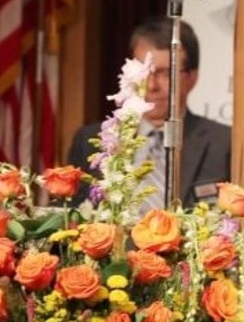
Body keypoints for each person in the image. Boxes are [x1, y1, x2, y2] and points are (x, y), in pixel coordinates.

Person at [67, 16, 232, 209]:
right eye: (143, 73)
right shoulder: (92, 141)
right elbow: (73, 217)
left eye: (164, 73)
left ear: (192, 78)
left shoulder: (223, 144)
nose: (151, 86)